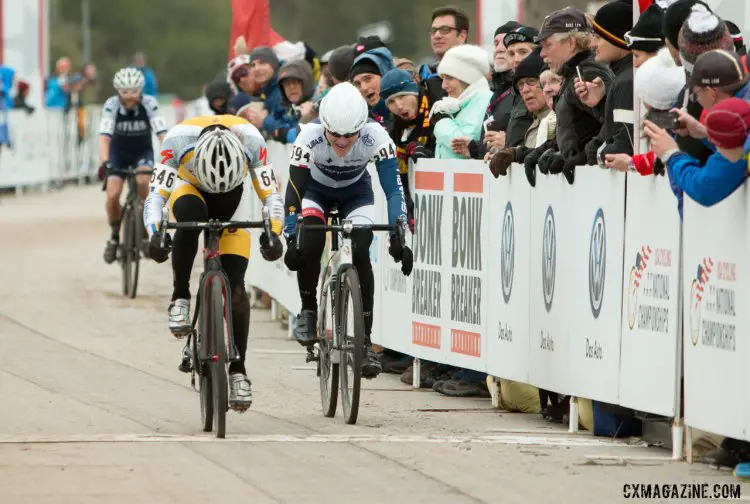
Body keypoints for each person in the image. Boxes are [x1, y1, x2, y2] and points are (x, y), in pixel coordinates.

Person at [143, 115, 285, 410]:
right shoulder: (177, 141)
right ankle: (180, 296)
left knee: (236, 291)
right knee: (190, 218)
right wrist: (155, 234)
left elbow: (271, 196)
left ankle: (238, 371)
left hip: (230, 201)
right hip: (189, 188)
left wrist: (274, 233)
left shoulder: (252, 140)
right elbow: (156, 196)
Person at [282, 82, 414, 379]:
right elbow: (293, 192)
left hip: (356, 193)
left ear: (362, 126)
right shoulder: (309, 136)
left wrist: (398, 234)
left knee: (361, 250)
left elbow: (393, 190)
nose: (342, 142)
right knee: (311, 241)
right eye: (335, 134)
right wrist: (292, 235)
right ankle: (308, 310)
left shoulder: (377, 136)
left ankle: (365, 342)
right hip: (316, 190)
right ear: (324, 126)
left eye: (350, 135)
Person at [99, 68, 167, 264]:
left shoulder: (150, 103)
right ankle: (114, 235)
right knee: (112, 194)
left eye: (134, 91)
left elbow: (162, 133)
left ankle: (147, 229)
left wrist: (170, 157)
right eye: (125, 92)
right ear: (117, 91)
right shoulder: (111, 105)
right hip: (118, 154)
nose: (130, 97)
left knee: (144, 180)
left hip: (142, 153)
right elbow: (104, 137)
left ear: (141, 90)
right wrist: (104, 161)